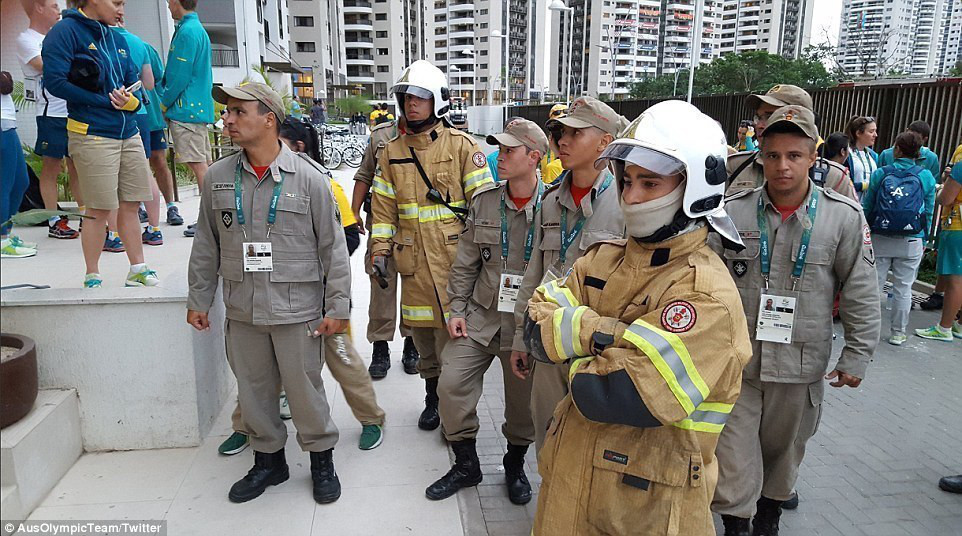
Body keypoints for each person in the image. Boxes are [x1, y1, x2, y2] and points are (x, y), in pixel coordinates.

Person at [526, 100, 752, 535]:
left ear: (696, 186)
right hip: (568, 496)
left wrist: (575, 334)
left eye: (650, 183)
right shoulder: (603, 258)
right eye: (627, 181)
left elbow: (613, 393)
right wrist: (619, 337)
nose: (630, 196)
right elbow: (534, 329)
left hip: (645, 509)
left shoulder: (705, 294)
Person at [710, 106, 881, 536]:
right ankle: (737, 522)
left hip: (801, 362)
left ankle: (770, 513)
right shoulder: (732, 211)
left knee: (784, 451)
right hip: (740, 360)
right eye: (772, 156)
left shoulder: (842, 216)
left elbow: (860, 289)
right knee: (733, 450)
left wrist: (856, 356)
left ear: (812, 158)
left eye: (794, 156)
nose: (782, 166)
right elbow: (705, 279)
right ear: (761, 156)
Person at [187, 82, 351, 504]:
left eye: (239, 112)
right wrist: (198, 299)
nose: (228, 120)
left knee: (305, 390)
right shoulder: (219, 178)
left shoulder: (311, 179)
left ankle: (321, 461)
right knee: (254, 391)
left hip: (297, 310)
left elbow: (333, 248)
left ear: (269, 119)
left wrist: (338, 307)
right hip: (243, 308)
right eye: (228, 113)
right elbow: (206, 242)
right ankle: (268, 464)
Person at [217, 116, 386, 456]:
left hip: (321, 298)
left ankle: (372, 419)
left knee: (343, 362)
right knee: (262, 373)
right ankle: (244, 426)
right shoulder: (242, 181)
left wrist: (317, 278)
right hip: (275, 299)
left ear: (296, 146)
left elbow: (347, 238)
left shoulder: (321, 183)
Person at [369, 60, 495, 431]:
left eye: (420, 97)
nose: (411, 104)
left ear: (437, 101)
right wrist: (379, 253)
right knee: (424, 341)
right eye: (406, 97)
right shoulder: (390, 152)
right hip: (415, 267)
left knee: (456, 346)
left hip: (456, 265)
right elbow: (383, 210)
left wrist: (488, 262)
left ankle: (455, 411)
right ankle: (431, 398)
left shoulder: (462, 147)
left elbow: (485, 209)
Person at [425, 119, 546, 503]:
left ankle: (514, 464)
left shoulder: (555, 206)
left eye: (510, 151)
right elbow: (465, 264)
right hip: (480, 315)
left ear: (535, 157)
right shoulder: (485, 201)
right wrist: (455, 309)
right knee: (451, 384)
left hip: (526, 324)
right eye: (499, 149)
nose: (500, 157)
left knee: (523, 407)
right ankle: (466, 464)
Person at [510, 95, 628, 453]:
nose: (563, 140)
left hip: (599, 348)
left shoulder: (626, 203)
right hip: (550, 341)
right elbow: (534, 273)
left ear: (605, 143)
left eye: (576, 133)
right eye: (561, 132)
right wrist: (520, 336)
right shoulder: (549, 201)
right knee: (547, 431)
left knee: (595, 441)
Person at [43, 0, 159, 288]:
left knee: (131, 203)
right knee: (98, 209)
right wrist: (104, 101)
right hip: (92, 133)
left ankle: (138, 268)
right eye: (116, 2)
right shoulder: (64, 31)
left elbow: (134, 80)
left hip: (128, 132)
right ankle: (92, 274)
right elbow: (55, 82)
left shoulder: (116, 36)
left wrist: (132, 102)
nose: (121, 9)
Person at [350, 115, 419, 378]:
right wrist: (353, 211)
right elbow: (364, 174)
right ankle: (380, 346)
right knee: (381, 282)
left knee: (414, 285)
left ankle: (412, 344)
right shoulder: (380, 135)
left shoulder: (432, 135)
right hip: (381, 220)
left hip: (415, 224)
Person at [862, 130, 936, 346]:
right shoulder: (925, 176)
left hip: (880, 236)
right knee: (904, 288)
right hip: (912, 238)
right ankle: (898, 332)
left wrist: (866, 230)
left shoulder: (881, 173)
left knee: (874, 285)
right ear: (919, 153)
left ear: (896, 149)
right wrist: (924, 237)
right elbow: (929, 210)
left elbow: (869, 206)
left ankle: (868, 331)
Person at [17, 0, 82, 240]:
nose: (59, 11)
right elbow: (50, 67)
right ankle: (55, 220)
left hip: (73, 110)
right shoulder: (27, 39)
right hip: (50, 113)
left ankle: (85, 216)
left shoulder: (64, 34)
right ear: (39, 7)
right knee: (52, 167)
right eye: (54, 6)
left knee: (77, 165)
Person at [726, 84, 852, 199]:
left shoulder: (835, 178)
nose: (758, 124)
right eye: (758, 117)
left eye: (770, 116)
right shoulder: (736, 166)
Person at [163, 0, 214, 238]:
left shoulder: (187, 32)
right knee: (204, 164)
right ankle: (213, 218)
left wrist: (163, 102)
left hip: (185, 110)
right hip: (197, 108)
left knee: (199, 165)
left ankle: (209, 220)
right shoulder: (197, 29)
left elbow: (177, 75)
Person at [111, 18, 164, 247]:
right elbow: (150, 84)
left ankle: (113, 234)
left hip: (111, 113)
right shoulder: (138, 42)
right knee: (144, 170)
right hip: (139, 111)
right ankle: (154, 228)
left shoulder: (99, 40)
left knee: (111, 176)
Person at [915, 143, 962, 342]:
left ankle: (944, 327)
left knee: (955, 279)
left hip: (957, 225)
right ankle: (959, 325)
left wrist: (944, 186)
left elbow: (946, 198)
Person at [143, 42, 182, 227]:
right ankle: (140, 208)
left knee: (159, 160)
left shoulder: (145, 48)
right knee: (133, 165)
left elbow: (159, 81)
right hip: (126, 120)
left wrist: (163, 108)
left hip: (152, 117)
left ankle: (171, 206)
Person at [1, 70, 37, 259]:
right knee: (4, 184)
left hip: (7, 122)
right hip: (2, 124)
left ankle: (6, 231)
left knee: (20, 181)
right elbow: (5, 84)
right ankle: (2, 240)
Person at [845, 115, 879, 199]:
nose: (875, 135)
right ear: (858, 133)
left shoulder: (873, 155)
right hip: (850, 201)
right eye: (871, 132)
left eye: (875, 131)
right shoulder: (847, 153)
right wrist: (863, 186)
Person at [485, 116, 524, 183]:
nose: (499, 158)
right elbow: (489, 188)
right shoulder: (491, 160)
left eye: (509, 151)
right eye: (500, 148)